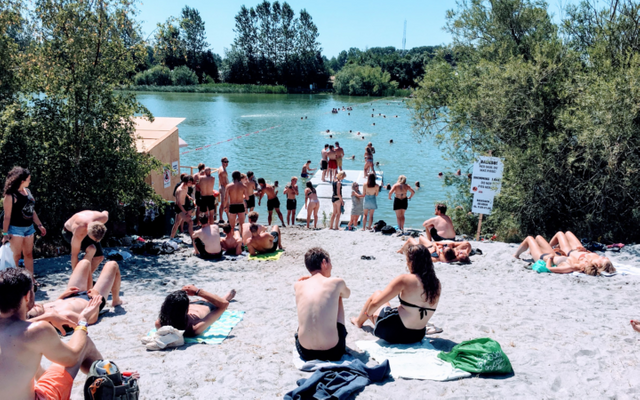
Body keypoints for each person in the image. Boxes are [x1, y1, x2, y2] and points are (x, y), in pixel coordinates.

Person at [0, 268, 113, 400]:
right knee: (84, 344)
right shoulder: (38, 331)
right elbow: (72, 357)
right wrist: (82, 322)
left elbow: (11, 328)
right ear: (27, 296)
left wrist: (48, 316)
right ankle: (114, 384)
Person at [351, 244, 441, 344]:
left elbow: (375, 304)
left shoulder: (405, 279)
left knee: (377, 294)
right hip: (417, 335)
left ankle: (358, 321)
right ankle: (361, 320)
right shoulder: (436, 283)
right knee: (392, 308)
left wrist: (368, 314)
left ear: (412, 262)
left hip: (394, 333)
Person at [26, 259, 123, 330]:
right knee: (112, 265)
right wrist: (95, 298)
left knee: (84, 263)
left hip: (71, 295)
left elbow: (58, 304)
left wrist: (62, 296)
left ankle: (90, 287)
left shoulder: (44, 309)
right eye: (36, 309)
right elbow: (91, 319)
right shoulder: (64, 315)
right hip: (91, 301)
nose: (35, 304)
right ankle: (116, 300)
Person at [294, 248, 351, 361]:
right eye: (330, 262)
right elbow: (347, 294)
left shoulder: (298, 285)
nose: (332, 266)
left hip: (305, 351)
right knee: (338, 295)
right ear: (324, 262)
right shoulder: (336, 282)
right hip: (333, 351)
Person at [2, 167, 46, 282]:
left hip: (29, 228)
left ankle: (31, 280)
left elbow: (32, 210)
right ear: (22, 180)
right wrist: (5, 233)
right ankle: (16, 283)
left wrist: (39, 225)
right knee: (16, 257)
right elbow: (7, 217)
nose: (30, 181)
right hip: (15, 229)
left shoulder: (28, 191)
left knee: (28, 254)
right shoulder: (11, 196)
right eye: (28, 179)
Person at [156, 285, 236, 337]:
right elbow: (224, 305)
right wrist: (198, 291)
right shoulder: (194, 327)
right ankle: (225, 297)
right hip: (207, 306)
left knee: (200, 299)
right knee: (217, 300)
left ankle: (201, 298)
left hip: (192, 303)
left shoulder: (160, 322)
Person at [62, 210, 108, 285]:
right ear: (88, 232)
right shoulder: (79, 230)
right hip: (69, 232)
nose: (96, 241)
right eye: (94, 239)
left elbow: (105, 212)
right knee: (91, 249)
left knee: (99, 257)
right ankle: (78, 279)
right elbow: (74, 255)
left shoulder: (103, 218)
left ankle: (85, 278)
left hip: (89, 226)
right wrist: (75, 279)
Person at [514, 235, 598, 275]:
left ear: (583, 267)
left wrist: (549, 259)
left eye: (586, 262)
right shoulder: (576, 263)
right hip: (553, 254)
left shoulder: (571, 267)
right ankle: (530, 251)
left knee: (529, 238)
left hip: (544, 257)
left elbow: (549, 268)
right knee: (538, 237)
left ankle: (516, 255)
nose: (585, 260)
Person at [549, 231, 615, 273]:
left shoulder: (589, 264)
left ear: (599, 265)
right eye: (607, 258)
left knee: (559, 234)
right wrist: (586, 250)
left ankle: (547, 248)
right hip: (579, 249)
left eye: (604, 259)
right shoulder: (596, 258)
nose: (605, 257)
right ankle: (556, 246)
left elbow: (575, 265)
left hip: (569, 252)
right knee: (568, 233)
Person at [398, 237, 471, 263]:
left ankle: (401, 251)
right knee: (420, 239)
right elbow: (467, 244)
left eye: (460, 253)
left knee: (411, 239)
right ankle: (401, 250)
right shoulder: (454, 253)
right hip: (433, 247)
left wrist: (438, 249)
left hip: (430, 250)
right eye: (462, 252)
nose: (460, 252)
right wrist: (437, 248)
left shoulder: (450, 257)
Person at [224, 171, 250, 237]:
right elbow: (247, 198)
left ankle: (232, 238)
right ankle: (243, 239)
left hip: (232, 205)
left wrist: (225, 207)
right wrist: (241, 196)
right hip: (240, 205)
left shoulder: (228, 186)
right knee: (242, 225)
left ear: (232, 177)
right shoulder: (243, 186)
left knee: (232, 225)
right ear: (239, 177)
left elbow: (226, 199)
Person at [218, 157, 230, 223]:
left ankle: (227, 218)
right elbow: (223, 182)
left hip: (223, 187)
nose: (226, 163)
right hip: (224, 188)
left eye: (227, 162)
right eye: (225, 162)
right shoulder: (222, 171)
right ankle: (221, 218)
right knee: (223, 203)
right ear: (222, 162)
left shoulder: (223, 169)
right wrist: (229, 188)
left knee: (226, 203)